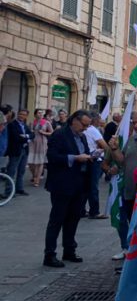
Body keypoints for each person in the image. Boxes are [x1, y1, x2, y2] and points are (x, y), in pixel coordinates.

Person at [42, 110, 94, 267]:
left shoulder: (82, 136)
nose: (85, 128)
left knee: (73, 218)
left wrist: (91, 156)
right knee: (57, 219)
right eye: (84, 125)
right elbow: (52, 157)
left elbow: (82, 153)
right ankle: (49, 254)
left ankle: (69, 249)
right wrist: (74, 158)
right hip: (62, 184)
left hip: (79, 184)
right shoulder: (60, 134)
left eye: (87, 126)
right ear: (75, 120)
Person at [109, 110, 137, 260]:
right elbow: (122, 161)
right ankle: (131, 251)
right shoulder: (132, 140)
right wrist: (114, 149)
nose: (136, 125)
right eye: (134, 122)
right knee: (130, 224)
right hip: (129, 191)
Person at [84, 112, 108, 218]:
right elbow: (104, 145)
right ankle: (94, 211)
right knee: (93, 186)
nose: (100, 121)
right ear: (94, 120)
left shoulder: (83, 129)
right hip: (94, 159)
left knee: (84, 186)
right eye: (99, 119)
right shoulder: (93, 130)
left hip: (84, 158)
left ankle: (81, 209)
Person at [6, 109, 33, 195]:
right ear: (18, 114)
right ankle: (9, 192)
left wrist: (26, 136)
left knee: (21, 171)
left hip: (24, 150)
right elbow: (16, 138)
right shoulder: (12, 125)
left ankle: (19, 189)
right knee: (11, 171)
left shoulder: (25, 125)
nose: (21, 116)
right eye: (20, 114)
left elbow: (33, 135)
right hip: (15, 150)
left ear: (26, 116)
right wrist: (28, 138)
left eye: (24, 115)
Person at [28, 109, 52, 188]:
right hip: (33, 142)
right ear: (35, 114)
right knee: (30, 162)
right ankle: (34, 175)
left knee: (40, 162)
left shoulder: (46, 122)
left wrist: (44, 132)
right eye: (39, 113)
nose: (40, 114)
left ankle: (37, 179)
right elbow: (29, 132)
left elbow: (52, 132)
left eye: (41, 113)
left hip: (42, 142)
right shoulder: (32, 122)